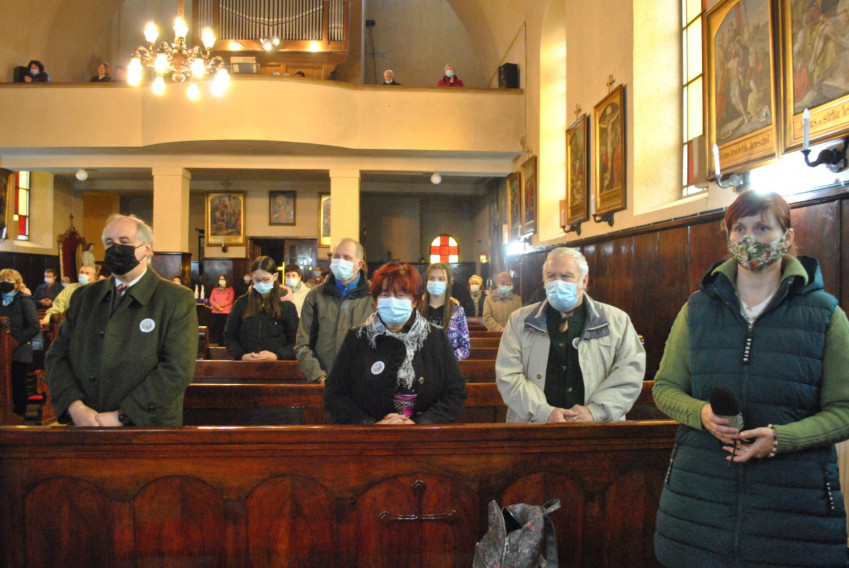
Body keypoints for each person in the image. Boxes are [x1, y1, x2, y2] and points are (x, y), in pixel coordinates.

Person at [653, 191, 849, 568]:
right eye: (739, 229)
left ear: (786, 237)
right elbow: (665, 389)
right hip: (701, 501)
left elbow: (844, 410)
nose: (748, 239)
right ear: (728, 236)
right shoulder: (697, 309)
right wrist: (701, 414)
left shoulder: (824, 314)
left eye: (762, 228)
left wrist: (782, 439)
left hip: (793, 506)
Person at [45, 214, 198, 427]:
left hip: (146, 426)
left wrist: (124, 415)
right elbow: (57, 356)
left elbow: (177, 368)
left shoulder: (175, 298)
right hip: (85, 422)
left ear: (147, 248)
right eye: (110, 243)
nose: (116, 248)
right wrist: (74, 406)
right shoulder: (84, 296)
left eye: (124, 242)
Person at [495, 247, 645, 423]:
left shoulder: (617, 321)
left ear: (584, 280)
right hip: (535, 424)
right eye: (551, 276)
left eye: (566, 276)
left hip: (598, 426)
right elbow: (508, 375)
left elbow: (629, 373)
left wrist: (595, 411)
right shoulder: (520, 320)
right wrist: (544, 412)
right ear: (544, 281)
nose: (557, 282)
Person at [324, 262, 467, 424]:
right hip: (370, 435)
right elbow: (335, 395)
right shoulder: (357, 338)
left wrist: (422, 423)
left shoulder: (435, 338)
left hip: (424, 434)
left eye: (400, 295)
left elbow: (455, 393)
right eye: (385, 295)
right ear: (376, 301)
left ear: (414, 301)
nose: (392, 302)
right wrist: (370, 424)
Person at [295, 238, 374, 383]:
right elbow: (302, 344)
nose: (340, 261)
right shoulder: (315, 296)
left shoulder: (374, 296)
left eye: (347, 258)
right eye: (336, 256)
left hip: (364, 382)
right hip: (325, 381)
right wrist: (318, 376)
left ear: (359, 264)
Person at [224, 256, 299, 361]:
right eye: (257, 280)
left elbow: (296, 341)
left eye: (266, 279)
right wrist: (241, 355)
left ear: (275, 276)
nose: (261, 284)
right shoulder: (241, 304)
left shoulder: (287, 306)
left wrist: (277, 355)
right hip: (246, 364)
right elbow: (229, 336)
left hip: (278, 365)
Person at [0, 268, 40, 415]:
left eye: (9, 280)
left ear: (17, 284)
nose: (5, 283)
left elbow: (34, 327)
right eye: (2, 280)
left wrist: (14, 342)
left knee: (17, 384)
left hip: (18, 350)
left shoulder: (24, 300)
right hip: (1, 350)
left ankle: (19, 415)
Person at [421, 262, 470, 360]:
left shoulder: (457, 311)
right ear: (426, 282)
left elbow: (465, 347)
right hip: (423, 364)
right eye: (432, 279)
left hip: (448, 364)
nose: (436, 282)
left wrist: (446, 358)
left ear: (448, 283)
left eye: (441, 279)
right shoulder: (417, 309)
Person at [208, 273, 235, 345]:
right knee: (217, 328)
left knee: (225, 328)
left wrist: (220, 306)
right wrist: (217, 306)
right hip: (216, 311)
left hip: (226, 311)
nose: (221, 280)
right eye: (220, 279)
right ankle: (219, 343)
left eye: (223, 279)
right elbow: (211, 299)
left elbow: (230, 300)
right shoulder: (215, 289)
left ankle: (225, 343)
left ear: (226, 280)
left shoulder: (230, 289)